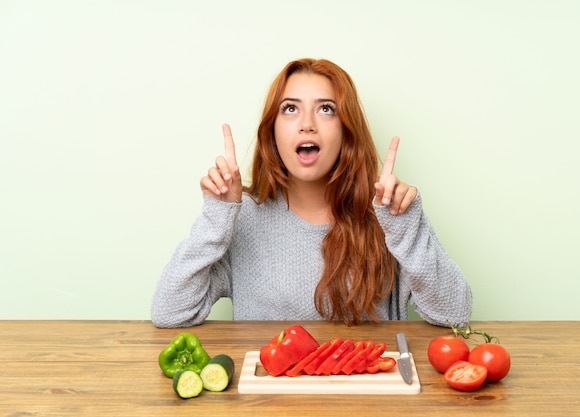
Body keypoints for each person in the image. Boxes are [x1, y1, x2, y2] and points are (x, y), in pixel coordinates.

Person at [151, 58, 472, 328]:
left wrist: (404, 226)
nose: (307, 124)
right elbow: (170, 312)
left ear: (347, 131)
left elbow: (455, 315)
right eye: (290, 109)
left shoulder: (389, 217)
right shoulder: (242, 218)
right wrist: (216, 219)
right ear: (272, 130)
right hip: (268, 399)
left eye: (326, 109)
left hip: (367, 399)